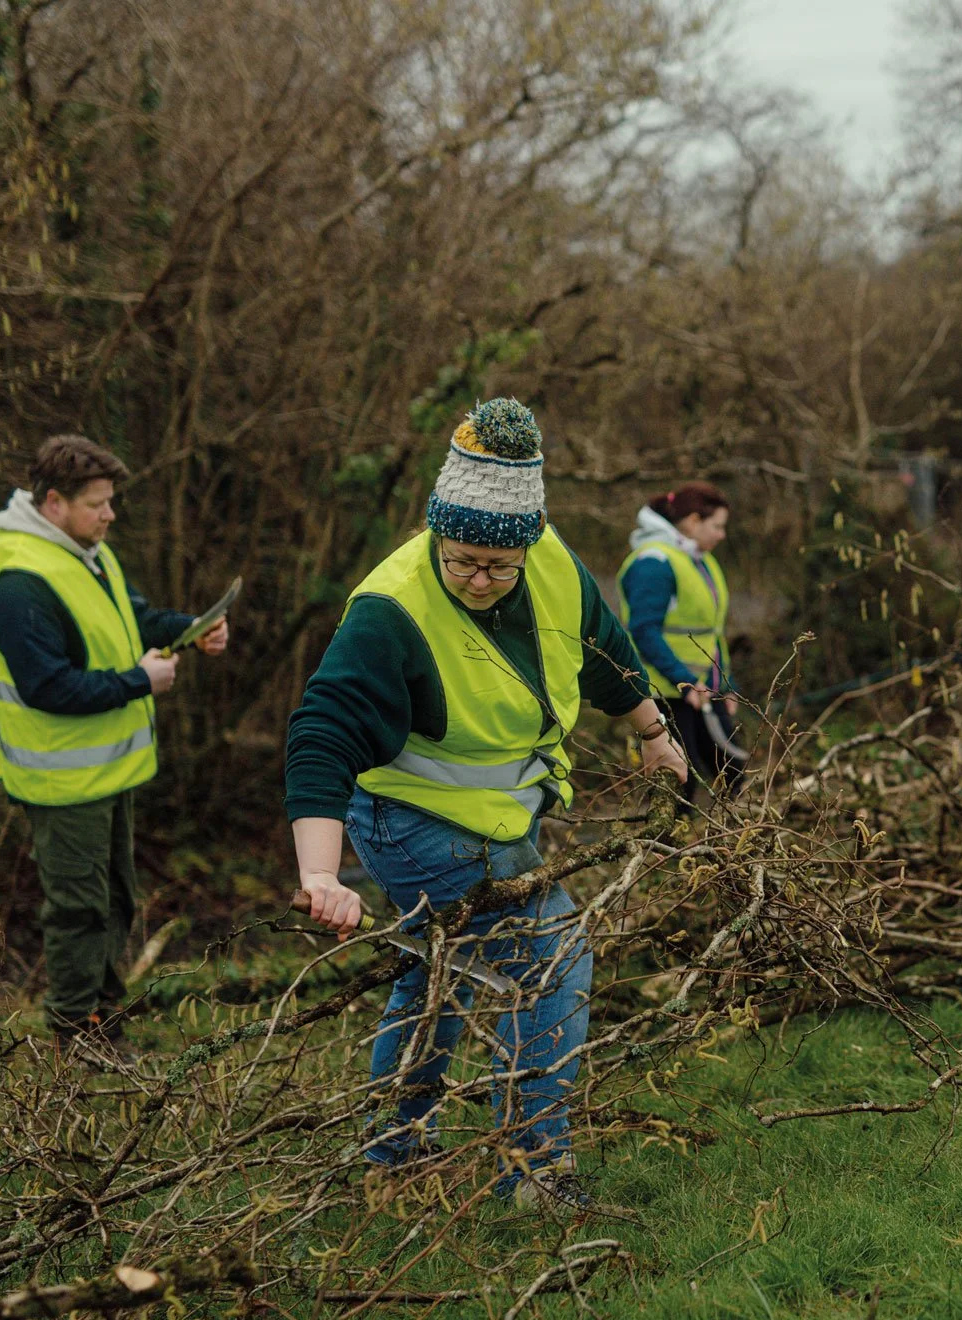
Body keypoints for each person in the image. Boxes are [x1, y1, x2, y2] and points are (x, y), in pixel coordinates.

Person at [286, 399, 688, 1213]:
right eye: (464, 560)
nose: (479, 578)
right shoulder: (389, 610)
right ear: (439, 533)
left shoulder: (550, 563)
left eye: (498, 566)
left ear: (528, 544)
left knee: (439, 972)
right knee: (555, 958)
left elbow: (604, 647)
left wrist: (653, 730)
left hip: (496, 820)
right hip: (407, 820)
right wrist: (321, 873)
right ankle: (536, 1171)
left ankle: (395, 1151)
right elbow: (321, 735)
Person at [0, 435, 230, 1062]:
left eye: (111, 502)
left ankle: (105, 1018)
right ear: (53, 502)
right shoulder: (18, 580)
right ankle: (74, 1035)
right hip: (59, 780)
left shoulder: (86, 551)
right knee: (79, 907)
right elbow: (46, 687)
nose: (110, 515)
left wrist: (191, 632)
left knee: (115, 898)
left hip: (107, 772)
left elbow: (131, 620)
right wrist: (141, 681)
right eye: (97, 504)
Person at [617, 482, 742, 802]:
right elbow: (644, 631)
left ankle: (727, 841)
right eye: (717, 526)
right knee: (676, 781)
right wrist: (685, 680)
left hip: (701, 689)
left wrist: (724, 684)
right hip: (665, 694)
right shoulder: (655, 562)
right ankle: (669, 845)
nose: (723, 535)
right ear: (692, 521)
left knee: (732, 766)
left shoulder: (701, 560)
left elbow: (711, 633)